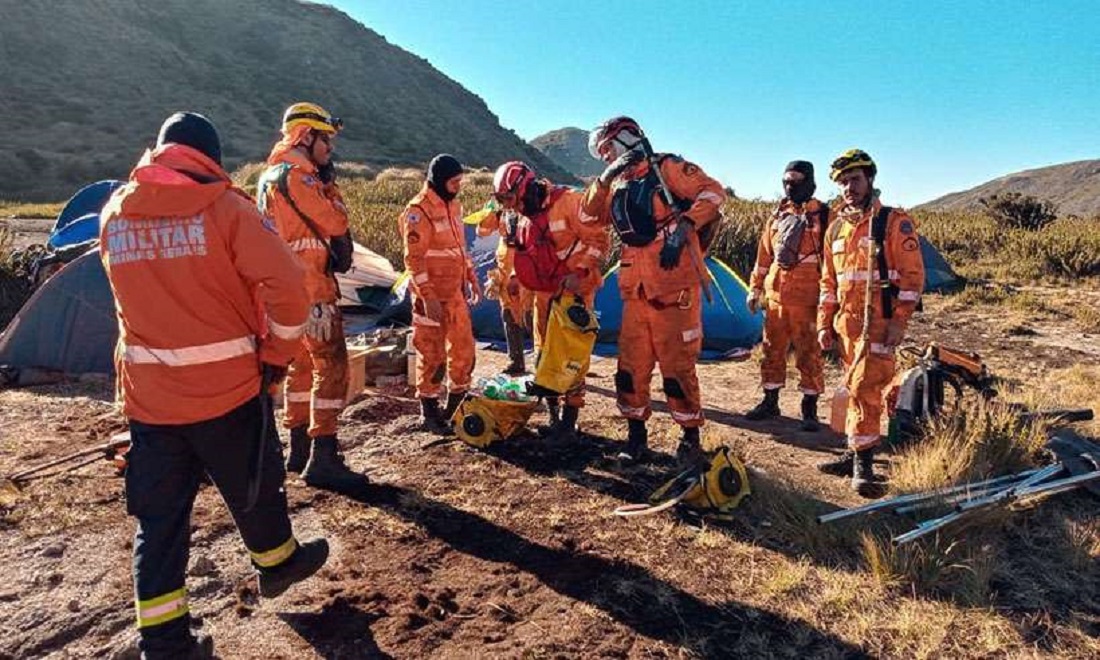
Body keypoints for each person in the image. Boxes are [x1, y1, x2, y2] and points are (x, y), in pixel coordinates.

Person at [99, 112, 329, 658]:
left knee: (159, 521)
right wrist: (275, 355)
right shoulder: (227, 210)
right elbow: (289, 291)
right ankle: (277, 563)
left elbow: (125, 307)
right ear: (211, 159)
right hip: (227, 388)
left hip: (151, 401)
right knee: (253, 482)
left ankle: (164, 641)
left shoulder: (115, 212)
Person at [582, 116, 726, 463]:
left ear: (626, 138)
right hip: (637, 292)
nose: (605, 157)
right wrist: (605, 178)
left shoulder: (668, 168)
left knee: (677, 369)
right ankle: (636, 437)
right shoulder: (615, 184)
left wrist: (687, 225)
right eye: (602, 155)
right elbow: (589, 216)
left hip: (674, 287)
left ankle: (690, 438)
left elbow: (713, 192)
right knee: (630, 368)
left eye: (608, 150)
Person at [258, 102, 367, 493]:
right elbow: (335, 221)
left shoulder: (269, 175)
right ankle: (324, 454)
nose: (330, 149)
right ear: (306, 136)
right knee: (332, 366)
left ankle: (298, 447)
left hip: (282, 292)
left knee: (299, 369)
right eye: (326, 140)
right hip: (312, 291)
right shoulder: (300, 177)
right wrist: (332, 188)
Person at [817, 149, 925, 496]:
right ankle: (854, 452)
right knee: (852, 387)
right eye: (843, 181)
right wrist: (823, 323)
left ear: (870, 180)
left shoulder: (893, 222)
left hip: (879, 323)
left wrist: (899, 322)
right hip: (846, 327)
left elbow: (912, 278)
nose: (849, 187)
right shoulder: (835, 229)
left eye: (855, 179)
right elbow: (828, 282)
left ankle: (864, 466)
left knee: (866, 389)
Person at [486, 160, 610, 440]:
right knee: (543, 353)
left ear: (524, 188)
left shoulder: (567, 202)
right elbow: (524, 251)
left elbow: (599, 241)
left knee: (571, 357)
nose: (508, 205)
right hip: (543, 294)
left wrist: (581, 271)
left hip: (573, 292)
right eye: (502, 200)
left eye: (509, 198)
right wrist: (516, 276)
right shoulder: (518, 217)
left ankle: (570, 419)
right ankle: (554, 415)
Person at [400, 154, 481, 434]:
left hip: (454, 292)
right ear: (439, 180)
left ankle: (456, 405)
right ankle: (429, 411)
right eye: (454, 181)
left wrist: (470, 276)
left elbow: (459, 247)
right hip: (431, 297)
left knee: (464, 349)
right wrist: (427, 297)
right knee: (432, 354)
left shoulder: (454, 205)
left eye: (461, 181)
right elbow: (414, 259)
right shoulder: (418, 211)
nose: (458, 186)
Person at [745, 161, 829, 430]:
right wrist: (754, 289)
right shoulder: (776, 218)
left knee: (809, 354)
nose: (790, 186)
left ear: (810, 183)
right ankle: (770, 401)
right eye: (786, 181)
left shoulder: (826, 218)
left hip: (809, 301)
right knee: (771, 351)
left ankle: (809, 409)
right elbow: (763, 258)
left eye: (796, 181)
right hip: (776, 299)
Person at [477, 205, 533, 376]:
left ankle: (545, 364)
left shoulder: (529, 211)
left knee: (533, 320)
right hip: (505, 274)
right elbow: (482, 231)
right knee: (509, 318)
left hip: (524, 276)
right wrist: (493, 210)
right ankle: (516, 361)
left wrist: (517, 276)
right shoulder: (502, 212)